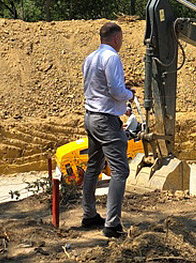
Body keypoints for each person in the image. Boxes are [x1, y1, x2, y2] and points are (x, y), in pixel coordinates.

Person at [80, 22, 135, 238]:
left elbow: (97, 88)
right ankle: (112, 225)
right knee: (120, 170)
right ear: (116, 38)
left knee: (93, 166)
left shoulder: (90, 58)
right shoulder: (112, 57)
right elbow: (114, 90)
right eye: (121, 38)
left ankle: (89, 214)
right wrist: (129, 95)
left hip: (91, 117)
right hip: (106, 120)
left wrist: (122, 98)